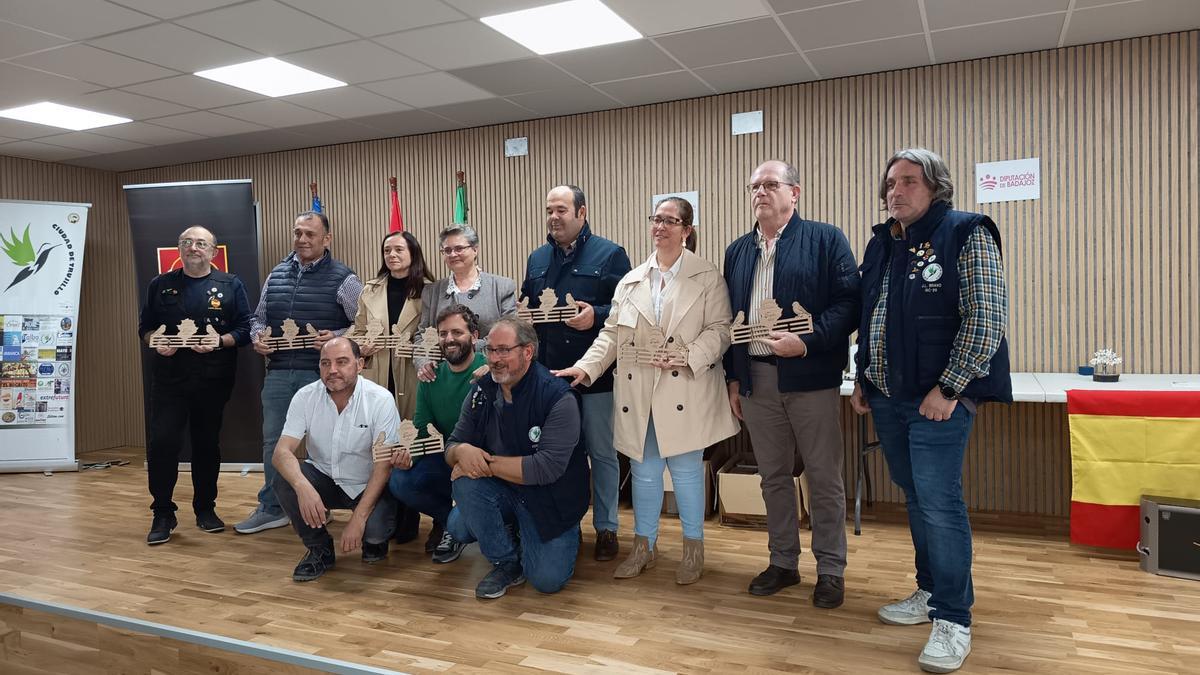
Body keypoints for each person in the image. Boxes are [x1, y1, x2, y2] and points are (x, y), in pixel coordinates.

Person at [850, 148, 1011, 673]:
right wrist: (863, 376)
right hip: (888, 396)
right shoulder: (882, 245)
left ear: (936, 187)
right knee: (917, 498)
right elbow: (871, 316)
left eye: (909, 182)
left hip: (938, 399)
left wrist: (949, 388)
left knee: (939, 503)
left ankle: (953, 618)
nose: (896, 191)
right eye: (891, 183)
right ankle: (929, 591)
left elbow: (985, 320)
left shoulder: (967, 232)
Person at [556, 196, 739, 586]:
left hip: (685, 386)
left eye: (671, 221)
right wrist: (586, 367)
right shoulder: (632, 279)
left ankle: (693, 549)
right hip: (639, 392)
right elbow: (610, 335)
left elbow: (721, 330)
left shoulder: (707, 277)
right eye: (656, 219)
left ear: (687, 231)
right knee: (644, 471)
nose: (661, 227)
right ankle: (644, 547)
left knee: (687, 472)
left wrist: (687, 354)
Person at [723, 160, 861, 607]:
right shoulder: (738, 250)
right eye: (754, 185)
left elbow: (848, 305)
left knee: (823, 476)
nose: (760, 192)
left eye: (770, 184)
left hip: (811, 377)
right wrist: (733, 378)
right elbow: (730, 322)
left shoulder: (824, 239)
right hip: (757, 380)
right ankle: (783, 561)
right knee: (773, 477)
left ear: (794, 193)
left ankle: (831, 570)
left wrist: (807, 341)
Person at [521, 185, 631, 561]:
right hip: (549, 379)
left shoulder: (611, 254)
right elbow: (528, 309)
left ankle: (606, 528)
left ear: (581, 213)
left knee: (601, 453)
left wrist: (596, 316)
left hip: (595, 375)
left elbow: (626, 311)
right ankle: (566, 523)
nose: (554, 217)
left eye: (562, 210)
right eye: (549, 210)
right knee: (556, 455)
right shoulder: (536, 260)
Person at [235, 211, 364, 535]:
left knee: (328, 444)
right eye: (298, 233)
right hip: (279, 373)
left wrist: (335, 335)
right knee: (274, 443)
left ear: (327, 239)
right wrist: (257, 337)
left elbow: (362, 326)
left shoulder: (344, 278)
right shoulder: (276, 274)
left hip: (324, 377)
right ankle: (273, 507)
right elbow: (258, 318)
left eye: (310, 234)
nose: (303, 239)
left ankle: (326, 503)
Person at [444, 317, 590, 599]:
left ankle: (563, 532)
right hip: (506, 490)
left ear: (527, 352)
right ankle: (506, 561)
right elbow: (452, 444)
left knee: (547, 580)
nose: (495, 359)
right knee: (458, 522)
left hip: (550, 499)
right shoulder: (481, 392)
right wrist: (461, 452)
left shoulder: (558, 397)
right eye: (490, 350)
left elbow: (545, 469)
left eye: (503, 350)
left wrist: (481, 465)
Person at [138, 226, 252, 544]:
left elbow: (245, 328)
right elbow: (145, 327)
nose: (193, 248)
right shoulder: (160, 285)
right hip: (169, 380)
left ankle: (205, 509)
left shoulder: (230, 285)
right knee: (162, 444)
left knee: (206, 445)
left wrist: (221, 340)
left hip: (212, 380)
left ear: (213, 251)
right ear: (179, 249)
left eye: (201, 243)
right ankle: (162, 512)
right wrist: (155, 341)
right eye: (187, 242)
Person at [272, 337, 400, 581]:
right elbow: (281, 452)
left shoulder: (380, 399)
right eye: (325, 363)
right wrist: (303, 488)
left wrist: (358, 520)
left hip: (367, 484)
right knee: (285, 479)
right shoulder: (305, 396)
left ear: (360, 364)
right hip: (325, 479)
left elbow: (383, 467)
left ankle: (380, 532)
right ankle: (320, 549)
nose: (332, 370)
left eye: (342, 362)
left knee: (374, 536)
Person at [350, 230, 434, 547]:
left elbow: (435, 334)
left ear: (413, 252)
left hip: (412, 377)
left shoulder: (429, 290)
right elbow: (355, 331)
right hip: (377, 375)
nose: (392, 254)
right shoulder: (369, 290)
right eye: (387, 249)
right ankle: (383, 516)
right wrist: (361, 344)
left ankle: (410, 518)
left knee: (411, 445)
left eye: (399, 249)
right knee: (380, 446)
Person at [386, 304, 485, 564]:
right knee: (399, 480)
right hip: (446, 459)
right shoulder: (430, 378)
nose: (449, 339)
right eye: (443, 334)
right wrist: (408, 454)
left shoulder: (489, 371)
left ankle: (465, 522)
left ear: (474, 336)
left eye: (457, 332)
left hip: (483, 463)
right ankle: (447, 521)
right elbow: (421, 428)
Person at [414, 223, 516, 383]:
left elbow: (511, 333)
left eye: (459, 248)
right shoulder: (431, 291)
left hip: (489, 371)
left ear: (475, 250)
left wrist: (471, 347)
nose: (453, 254)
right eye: (447, 250)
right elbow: (422, 335)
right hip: (444, 376)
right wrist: (423, 362)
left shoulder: (501, 286)